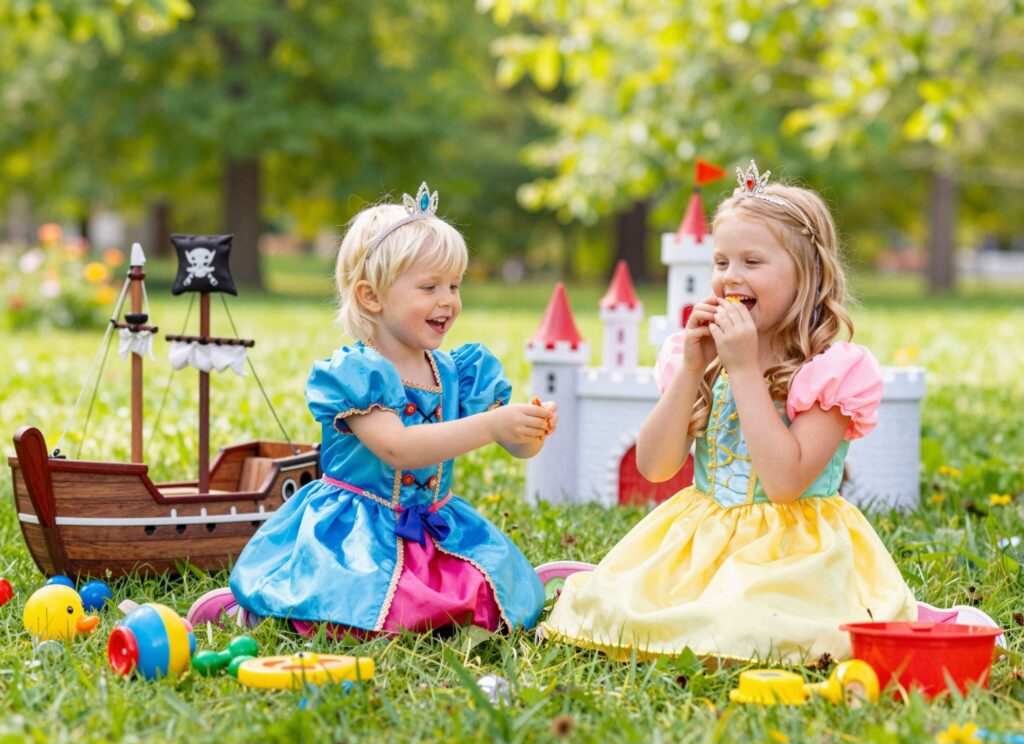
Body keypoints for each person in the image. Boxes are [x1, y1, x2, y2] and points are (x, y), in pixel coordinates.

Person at [541, 161, 997, 663]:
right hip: (703, 540)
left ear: (808, 275)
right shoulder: (700, 357)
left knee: (749, 623)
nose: (730, 277)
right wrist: (693, 369)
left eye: (752, 262)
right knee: (634, 610)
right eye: (720, 262)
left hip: (796, 552)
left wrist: (742, 370)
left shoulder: (829, 371)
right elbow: (655, 467)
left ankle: (932, 620)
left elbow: (784, 483)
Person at [189, 182, 555, 636]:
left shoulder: (458, 371)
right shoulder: (360, 374)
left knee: (483, 600)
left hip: (435, 526)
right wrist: (491, 423)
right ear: (371, 297)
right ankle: (251, 607)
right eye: (429, 286)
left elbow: (515, 448)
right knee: (358, 609)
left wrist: (525, 432)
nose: (448, 300)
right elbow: (399, 448)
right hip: (356, 533)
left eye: (454, 285)